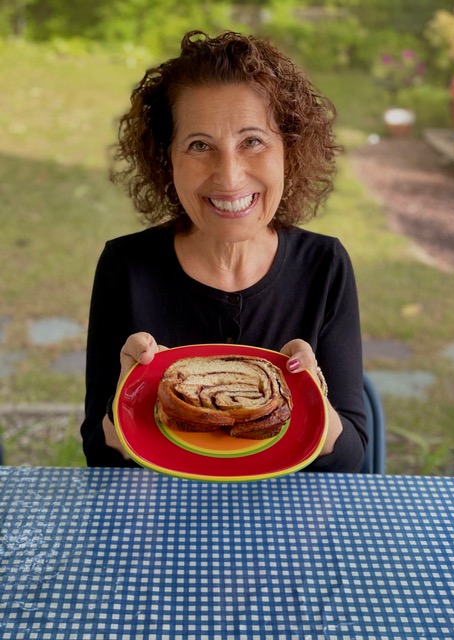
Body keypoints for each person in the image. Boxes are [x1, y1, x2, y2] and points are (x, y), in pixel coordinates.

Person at [81, 29, 367, 471]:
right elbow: (98, 452)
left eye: (252, 141)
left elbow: (352, 457)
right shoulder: (126, 266)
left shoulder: (324, 267)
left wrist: (315, 405)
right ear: (166, 158)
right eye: (199, 146)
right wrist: (126, 406)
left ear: (288, 151)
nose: (230, 177)